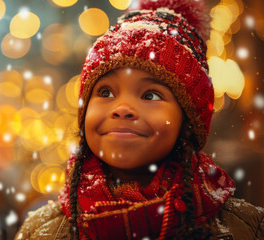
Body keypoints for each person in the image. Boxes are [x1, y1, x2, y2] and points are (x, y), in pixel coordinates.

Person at [15, 0, 264, 239]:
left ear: (188, 120)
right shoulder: (40, 231)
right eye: (105, 92)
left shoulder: (247, 228)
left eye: (150, 95)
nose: (123, 108)